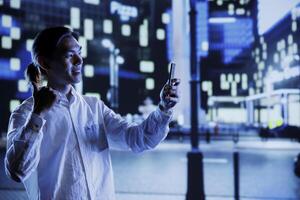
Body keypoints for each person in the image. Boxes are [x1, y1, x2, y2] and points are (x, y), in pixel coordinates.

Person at [4, 26, 180, 200]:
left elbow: (139, 139)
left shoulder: (94, 107)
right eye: (69, 55)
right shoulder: (25, 113)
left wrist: (164, 108)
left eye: (79, 52)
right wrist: (38, 114)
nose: (79, 60)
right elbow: (17, 171)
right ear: (45, 62)